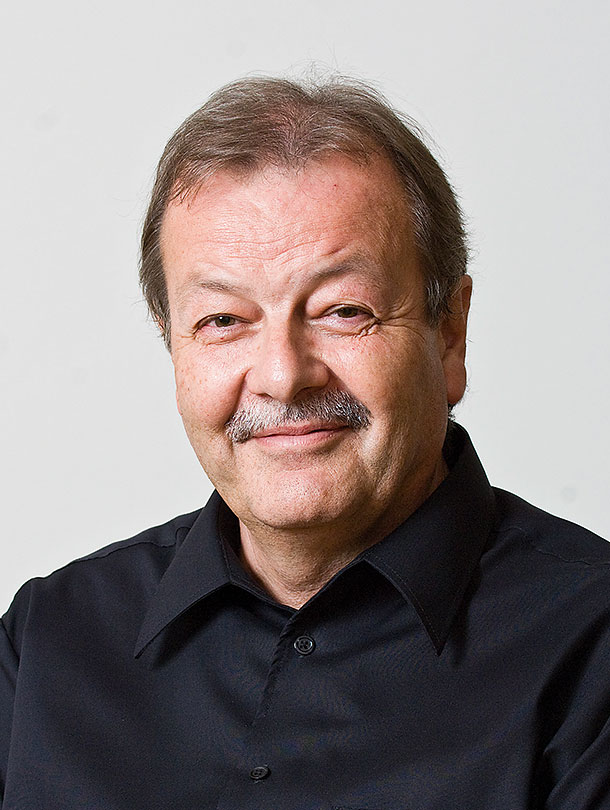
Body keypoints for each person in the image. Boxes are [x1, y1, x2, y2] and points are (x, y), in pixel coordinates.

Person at [1, 76, 609, 810]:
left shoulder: (591, 645)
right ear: (173, 347)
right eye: (224, 321)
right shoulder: (48, 640)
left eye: (343, 311)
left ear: (449, 333)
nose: (284, 377)